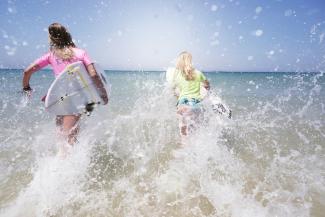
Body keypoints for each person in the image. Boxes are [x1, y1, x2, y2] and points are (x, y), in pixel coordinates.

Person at [22, 23, 108, 145]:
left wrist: (27, 88)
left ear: (51, 38)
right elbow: (93, 75)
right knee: (72, 135)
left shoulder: (50, 55)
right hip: (79, 98)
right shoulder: (81, 53)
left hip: (60, 98)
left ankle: (57, 160)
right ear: (68, 36)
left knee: (60, 134)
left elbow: (26, 72)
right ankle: (72, 159)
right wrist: (103, 94)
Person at [172, 51, 210, 136]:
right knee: (196, 127)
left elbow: (174, 91)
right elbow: (207, 85)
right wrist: (206, 89)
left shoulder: (177, 75)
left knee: (183, 128)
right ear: (190, 61)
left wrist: (177, 97)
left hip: (182, 102)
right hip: (195, 102)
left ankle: (183, 144)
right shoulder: (198, 73)